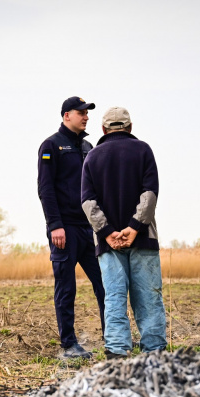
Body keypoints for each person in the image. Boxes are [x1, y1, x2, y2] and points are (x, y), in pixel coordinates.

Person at [81, 106, 167, 358]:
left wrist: (107, 232)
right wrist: (134, 227)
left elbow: (88, 202)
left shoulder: (92, 157)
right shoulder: (143, 150)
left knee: (114, 297)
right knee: (149, 298)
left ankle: (117, 351)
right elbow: (149, 194)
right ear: (130, 127)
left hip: (108, 245)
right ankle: (154, 351)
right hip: (143, 239)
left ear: (103, 129)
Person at [37, 96, 106, 359]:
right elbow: (45, 188)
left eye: (87, 112)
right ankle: (69, 344)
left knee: (105, 284)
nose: (86, 116)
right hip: (64, 229)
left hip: (90, 228)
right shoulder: (51, 145)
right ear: (67, 115)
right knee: (66, 288)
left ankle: (113, 337)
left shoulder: (89, 146)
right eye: (81, 112)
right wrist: (55, 225)